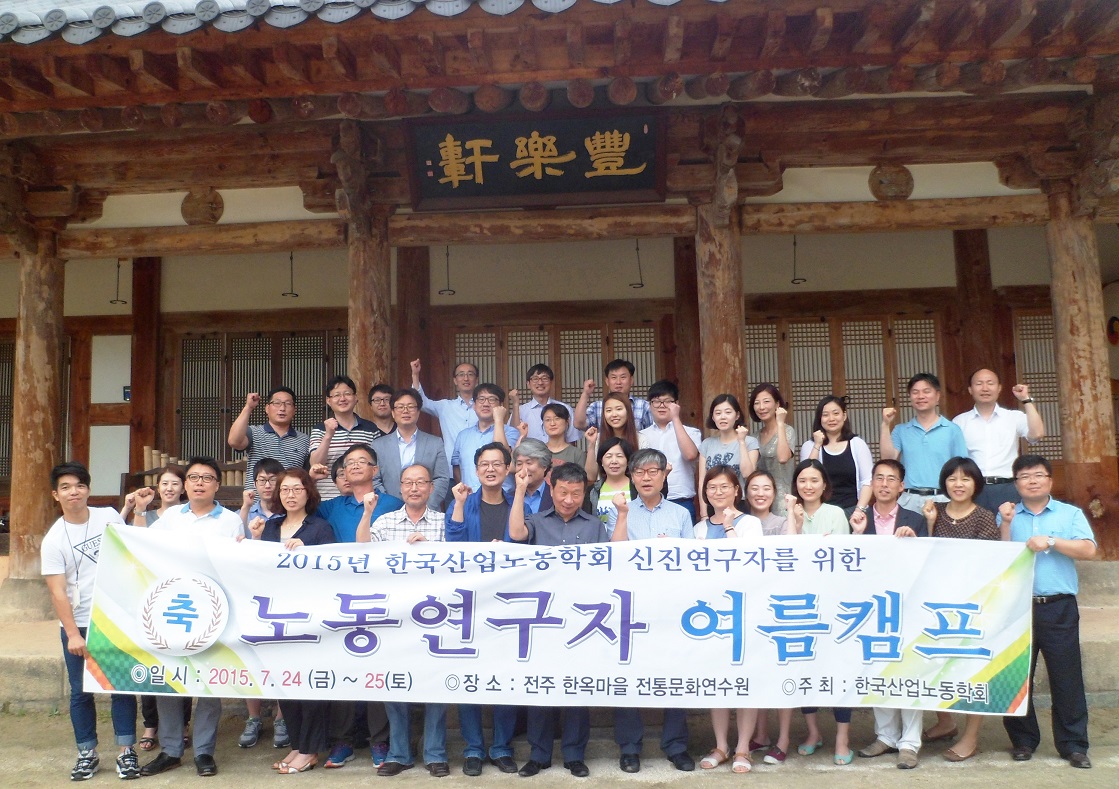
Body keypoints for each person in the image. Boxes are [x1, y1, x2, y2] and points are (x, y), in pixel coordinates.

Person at [141, 458, 245, 778]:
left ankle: (203, 751)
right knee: (171, 680)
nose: (200, 483)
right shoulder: (171, 517)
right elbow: (143, 547)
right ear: (185, 484)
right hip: (173, 607)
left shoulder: (231, 521)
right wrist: (136, 512)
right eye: (194, 477)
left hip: (213, 610)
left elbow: (238, 565)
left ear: (217, 485)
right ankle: (171, 750)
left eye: (207, 478)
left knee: (209, 683)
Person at [41, 461, 139, 781]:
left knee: (120, 685)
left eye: (80, 485)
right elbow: (58, 591)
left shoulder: (108, 516)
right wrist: (72, 634)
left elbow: (131, 550)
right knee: (81, 691)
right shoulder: (54, 540)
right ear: (56, 494)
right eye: (66, 487)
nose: (74, 492)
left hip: (113, 618)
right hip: (79, 622)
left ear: (88, 489)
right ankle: (87, 753)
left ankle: (126, 751)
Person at [998, 455, 1095, 769]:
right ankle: (1023, 741)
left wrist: (1051, 541)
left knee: (1066, 678)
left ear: (1050, 480)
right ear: (1016, 484)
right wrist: (1007, 523)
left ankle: (1073, 745)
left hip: (1058, 607)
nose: (1032, 481)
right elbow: (1000, 557)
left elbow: (1089, 549)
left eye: (1038, 475)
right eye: (1024, 476)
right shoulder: (1008, 514)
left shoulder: (1070, 514)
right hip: (1017, 608)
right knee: (1016, 676)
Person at [508, 463, 605, 778]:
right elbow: (516, 534)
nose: (568, 500)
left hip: (581, 620)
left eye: (576, 494)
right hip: (542, 619)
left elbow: (608, 569)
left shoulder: (594, 526)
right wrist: (520, 490)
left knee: (577, 688)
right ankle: (539, 755)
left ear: (584, 493)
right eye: (563, 492)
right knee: (541, 687)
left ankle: (575, 754)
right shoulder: (537, 521)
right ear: (551, 489)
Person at [357, 465, 450, 778]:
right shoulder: (385, 521)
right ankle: (399, 753)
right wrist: (367, 513)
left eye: (421, 482)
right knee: (394, 682)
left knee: (436, 683)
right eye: (408, 482)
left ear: (431, 487)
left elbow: (459, 563)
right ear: (400, 487)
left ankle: (435, 754)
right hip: (394, 615)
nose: (414, 488)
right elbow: (363, 549)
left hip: (435, 615)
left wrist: (431, 550)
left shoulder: (443, 522)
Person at [607, 448, 695, 774]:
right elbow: (614, 557)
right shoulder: (621, 510)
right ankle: (629, 748)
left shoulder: (680, 514)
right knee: (627, 675)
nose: (646, 478)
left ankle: (676, 746)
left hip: (671, 606)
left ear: (664, 475)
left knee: (675, 674)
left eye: (653, 471)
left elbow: (693, 562)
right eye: (640, 472)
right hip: (631, 605)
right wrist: (622, 516)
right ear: (631, 476)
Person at [314, 443, 401, 769]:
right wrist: (311, 478)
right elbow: (299, 517)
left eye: (361, 461)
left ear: (375, 470)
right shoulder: (331, 507)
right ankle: (343, 741)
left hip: (383, 596)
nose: (354, 466)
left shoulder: (392, 503)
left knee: (378, 667)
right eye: (348, 462)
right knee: (344, 668)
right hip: (341, 598)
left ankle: (380, 739)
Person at [248, 469, 334, 774]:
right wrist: (255, 540)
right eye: (285, 489)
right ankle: (297, 745)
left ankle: (310, 751)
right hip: (276, 617)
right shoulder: (270, 527)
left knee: (308, 686)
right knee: (287, 684)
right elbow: (257, 568)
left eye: (297, 489)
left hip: (309, 618)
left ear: (308, 492)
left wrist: (306, 554)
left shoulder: (320, 528)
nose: (290, 494)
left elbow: (332, 570)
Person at [444, 443, 520, 776]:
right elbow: (454, 546)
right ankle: (473, 748)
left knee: (506, 675)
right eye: (484, 464)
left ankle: (502, 746)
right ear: (476, 470)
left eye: (497, 464)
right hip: (470, 603)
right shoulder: (462, 502)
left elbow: (524, 543)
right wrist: (460, 504)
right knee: (469, 677)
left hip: (509, 603)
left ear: (507, 469)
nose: (491, 469)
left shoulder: (517, 503)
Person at [919, 456, 1000, 759]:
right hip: (936, 602)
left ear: (976, 484)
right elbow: (923, 554)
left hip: (970, 605)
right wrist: (929, 523)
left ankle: (971, 736)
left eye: (965, 478)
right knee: (935, 663)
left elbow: (988, 561)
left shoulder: (984, 517)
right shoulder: (934, 511)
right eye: (952, 478)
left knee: (970, 669)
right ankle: (945, 722)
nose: (958, 484)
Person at [851, 458, 926, 770]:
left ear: (901, 486)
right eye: (878, 478)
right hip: (870, 605)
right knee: (877, 668)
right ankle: (885, 737)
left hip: (907, 604)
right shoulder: (857, 517)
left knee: (908, 670)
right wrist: (856, 534)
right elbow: (848, 561)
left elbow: (927, 561)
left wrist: (915, 542)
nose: (884, 484)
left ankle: (909, 743)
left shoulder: (915, 519)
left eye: (891, 479)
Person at [785, 460, 852, 766]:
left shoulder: (836, 513)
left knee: (838, 670)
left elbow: (840, 556)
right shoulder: (789, 512)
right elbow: (789, 556)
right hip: (799, 603)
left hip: (833, 602)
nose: (808, 486)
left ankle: (842, 737)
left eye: (814, 480)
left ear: (825, 484)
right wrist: (795, 521)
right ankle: (813, 732)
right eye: (802, 480)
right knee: (804, 669)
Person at [695, 467, 761, 773]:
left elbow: (748, 561)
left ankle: (743, 749)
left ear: (737, 490)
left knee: (746, 680)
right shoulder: (699, 528)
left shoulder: (750, 523)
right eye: (712, 487)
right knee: (717, 680)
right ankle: (721, 746)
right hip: (711, 612)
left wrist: (730, 526)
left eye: (724, 487)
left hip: (745, 608)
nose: (717, 492)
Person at [120, 466, 189, 753]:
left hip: (180, 596)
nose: (170, 488)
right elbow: (133, 545)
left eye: (175, 483)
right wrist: (136, 508)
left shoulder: (188, 517)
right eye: (165, 483)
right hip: (148, 595)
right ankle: (151, 724)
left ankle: (182, 724)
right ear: (157, 488)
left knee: (182, 663)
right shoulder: (146, 515)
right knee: (150, 662)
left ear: (183, 488)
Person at [953, 368, 1044, 510]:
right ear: (970, 389)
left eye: (990, 383)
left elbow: (1037, 434)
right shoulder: (959, 421)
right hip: (973, 488)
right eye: (979, 384)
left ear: (999, 388)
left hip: (1008, 487)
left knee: (1011, 524)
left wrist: (1026, 400)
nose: (985, 388)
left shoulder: (1013, 417)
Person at [879, 373, 968, 514]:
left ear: (937, 396)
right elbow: (887, 459)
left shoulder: (952, 430)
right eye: (915, 392)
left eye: (926, 391)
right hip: (909, 499)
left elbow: (962, 467)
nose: (920, 396)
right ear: (910, 397)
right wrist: (885, 424)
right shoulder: (901, 430)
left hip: (943, 498)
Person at [371, 388, 451, 505]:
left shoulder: (435, 443)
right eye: (400, 407)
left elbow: (442, 479)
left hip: (427, 509)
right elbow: (375, 480)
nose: (405, 411)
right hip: (390, 510)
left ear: (418, 411)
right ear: (393, 412)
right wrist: (389, 505)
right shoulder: (378, 445)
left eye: (411, 407)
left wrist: (426, 506)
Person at [638, 380, 702, 519]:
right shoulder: (641, 436)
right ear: (649, 405)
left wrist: (675, 418)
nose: (662, 406)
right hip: (649, 501)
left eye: (667, 401)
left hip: (681, 501)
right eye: (656, 401)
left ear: (676, 404)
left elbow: (690, 455)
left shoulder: (691, 432)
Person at [310, 375, 381, 500]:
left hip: (363, 499)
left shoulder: (370, 429)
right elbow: (316, 465)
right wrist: (328, 436)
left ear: (355, 398)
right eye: (336, 395)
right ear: (328, 400)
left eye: (347, 394)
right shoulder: (320, 430)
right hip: (328, 499)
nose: (342, 399)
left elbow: (377, 466)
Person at [799, 396, 873, 515]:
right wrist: (817, 445)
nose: (831, 418)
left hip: (853, 511)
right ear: (819, 418)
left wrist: (859, 510)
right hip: (821, 512)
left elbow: (867, 480)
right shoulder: (809, 445)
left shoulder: (857, 444)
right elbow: (807, 476)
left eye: (836, 413)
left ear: (844, 416)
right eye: (825, 415)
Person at [227, 386, 310, 490]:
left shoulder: (304, 439)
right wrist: (248, 407)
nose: (282, 408)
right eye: (277, 403)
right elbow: (234, 442)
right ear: (267, 408)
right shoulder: (254, 432)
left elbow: (306, 476)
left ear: (294, 410)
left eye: (288, 404)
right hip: (257, 498)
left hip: (288, 498)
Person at [451, 383, 519, 492]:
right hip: (470, 497)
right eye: (481, 399)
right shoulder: (462, 436)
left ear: (501, 406)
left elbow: (501, 453)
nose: (486, 404)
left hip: (502, 498)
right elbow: (456, 468)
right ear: (474, 405)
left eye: (492, 399)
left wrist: (498, 420)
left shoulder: (511, 432)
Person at [412, 358, 479, 466]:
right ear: (455, 380)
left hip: (478, 465)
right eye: (461, 374)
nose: (466, 378)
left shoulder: (484, 407)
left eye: (470, 374)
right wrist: (415, 375)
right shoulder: (445, 406)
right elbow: (421, 402)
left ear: (476, 380)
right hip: (451, 466)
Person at [749, 383, 795, 515]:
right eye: (757, 403)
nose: (761, 407)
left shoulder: (787, 431)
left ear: (777, 404)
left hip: (782, 499)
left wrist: (780, 423)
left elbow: (783, 457)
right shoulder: (754, 437)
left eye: (766, 401)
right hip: (760, 497)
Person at [574, 358, 653, 431]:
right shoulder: (597, 406)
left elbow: (653, 432)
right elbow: (579, 424)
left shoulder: (644, 406)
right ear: (607, 381)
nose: (618, 382)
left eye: (623, 377)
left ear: (631, 380)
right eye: (614, 377)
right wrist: (585, 394)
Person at [699, 394, 759, 489]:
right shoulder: (707, 444)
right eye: (718, 413)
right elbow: (702, 481)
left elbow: (747, 474)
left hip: (740, 497)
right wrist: (703, 499)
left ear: (737, 415)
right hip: (713, 497)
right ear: (713, 417)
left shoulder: (750, 442)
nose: (723, 417)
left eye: (728, 412)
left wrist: (742, 442)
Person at [512, 364, 581, 443]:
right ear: (528, 384)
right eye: (535, 379)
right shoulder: (519, 411)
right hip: (529, 451)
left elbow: (572, 439)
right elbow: (513, 437)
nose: (540, 382)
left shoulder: (565, 408)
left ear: (551, 382)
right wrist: (515, 404)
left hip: (559, 451)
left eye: (544, 378)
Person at [588, 437, 635, 529]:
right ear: (601, 462)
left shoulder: (638, 487)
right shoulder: (593, 491)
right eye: (609, 456)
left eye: (619, 456)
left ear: (628, 461)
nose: (614, 461)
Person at [511, 438, 555, 518]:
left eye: (529, 463)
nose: (524, 469)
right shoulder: (508, 497)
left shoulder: (555, 496)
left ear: (544, 466)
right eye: (519, 464)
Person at [743, 470, 787, 537]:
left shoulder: (782, 523)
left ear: (774, 493)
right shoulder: (740, 523)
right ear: (746, 493)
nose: (760, 494)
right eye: (755, 489)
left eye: (766, 489)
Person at [539, 403, 583, 468]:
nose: (552, 423)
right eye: (548, 420)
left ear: (567, 422)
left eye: (557, 418)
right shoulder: (538, 452)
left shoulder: (577, 454)